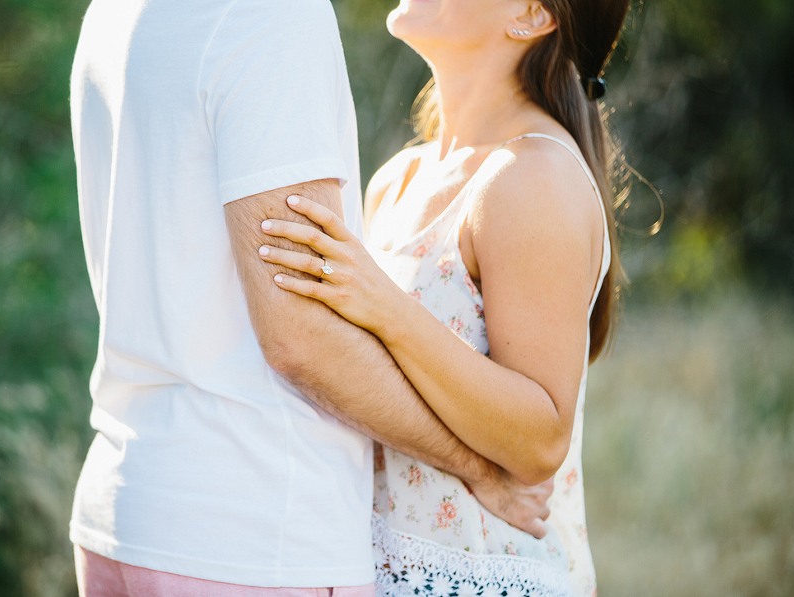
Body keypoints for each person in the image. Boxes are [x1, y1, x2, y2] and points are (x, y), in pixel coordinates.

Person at [68, 0, 552, 595]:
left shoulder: (115, 12)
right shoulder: (272, 14)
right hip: (254, 533)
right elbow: (301, 335)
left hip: (124, 507)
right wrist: (481, 469)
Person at [252, 0, 627, 594]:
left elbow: (540, 440)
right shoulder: (397, 180)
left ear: (530, 14)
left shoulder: (534, 178)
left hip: (483, 574)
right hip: (372, 561)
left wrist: (385, 307)